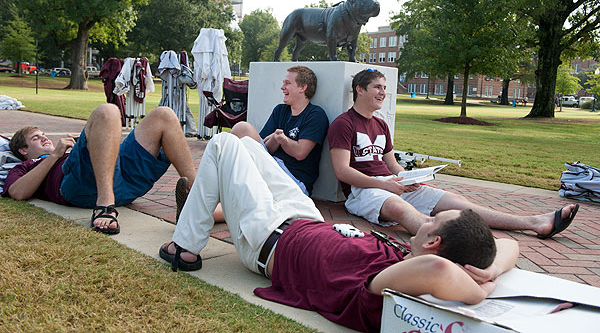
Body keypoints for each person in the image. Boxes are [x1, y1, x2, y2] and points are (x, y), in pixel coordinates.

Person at [159, 132, 518, 333]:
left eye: (432, 221)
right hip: (305, 219)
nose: (425, 218)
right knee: (248, 144)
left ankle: (184, 245)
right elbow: (510, 244)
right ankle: (197, 213)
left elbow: (438, 270)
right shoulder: (412, 258)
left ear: (434, 242)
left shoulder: (396, 286)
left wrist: (480, 290)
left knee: (223, 145)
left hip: (266, 237)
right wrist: (491, 271)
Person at [328, 68, 579, 238]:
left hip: (393, 184)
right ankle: (457, 244)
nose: (383, 92)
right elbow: (343, 171)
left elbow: (391, 164)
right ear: (359, 90)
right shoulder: (344, 123)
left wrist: (407, 179)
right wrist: (387, 187)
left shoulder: (381, 123)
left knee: (460, 204)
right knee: (405, 213)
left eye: (384, 87)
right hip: (365, 192)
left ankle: (535, 222)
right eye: (377, 87)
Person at [3, 104, 197, 234]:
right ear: (23, 150)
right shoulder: (26, 166)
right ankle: (105, 205)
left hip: (124, 181)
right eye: (35, 138)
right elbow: (17, 192)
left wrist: (93, 145)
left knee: (164, 115)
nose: (44, 138)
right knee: (107, 111)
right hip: (82, 188)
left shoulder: (69, 154)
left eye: (43, 134)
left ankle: (199, 199)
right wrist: (54, 156)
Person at [230, 65, 329, 195]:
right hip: (271, 167)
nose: (282, 87)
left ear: (302, 87)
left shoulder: (315, 115)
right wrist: (275, 140)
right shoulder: (280, 110)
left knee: (241, 189)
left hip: (292, 180)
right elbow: (263, 149)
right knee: (242, 129)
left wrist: (283, 140)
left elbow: (300, 153)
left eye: (287, 83)